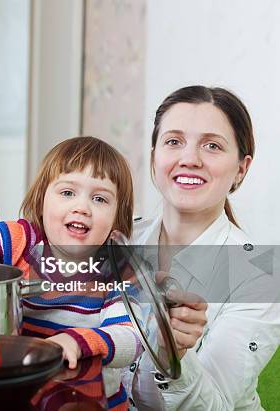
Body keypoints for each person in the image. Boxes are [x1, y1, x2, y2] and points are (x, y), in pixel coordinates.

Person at [0, 137, 143, 410]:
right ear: (41, 201)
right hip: (20, 394)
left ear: (117, 220)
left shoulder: (118, 271)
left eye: (99, 199)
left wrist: (78, 341)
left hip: (88, 401)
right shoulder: (21, 240)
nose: (82, 207)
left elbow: (131, 338)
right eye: (67, 193)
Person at [127, 85, 280, 410]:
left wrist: (174, 358)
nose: (189, 159)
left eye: (212, 145)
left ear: (241, 168)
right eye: (173, 142)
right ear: (154, 155)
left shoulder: (262, 274)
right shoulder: (120, 241)